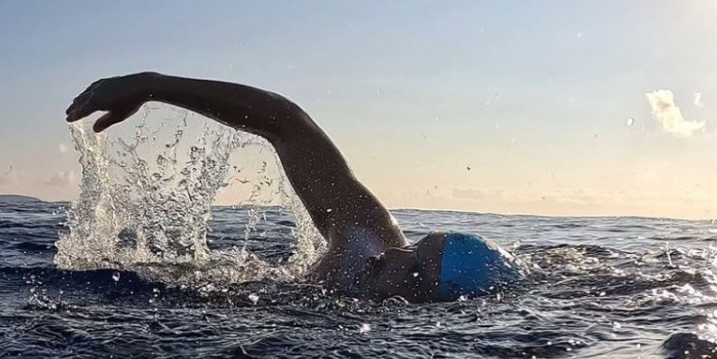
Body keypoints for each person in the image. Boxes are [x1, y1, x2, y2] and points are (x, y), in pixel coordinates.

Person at [65, 72, 521, 302]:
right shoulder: (365, 241)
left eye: (416, 267)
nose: (396, 252)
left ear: (429, 303)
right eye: (415, 245)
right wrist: (152, 84)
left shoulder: (372, 335)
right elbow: (285, 121)